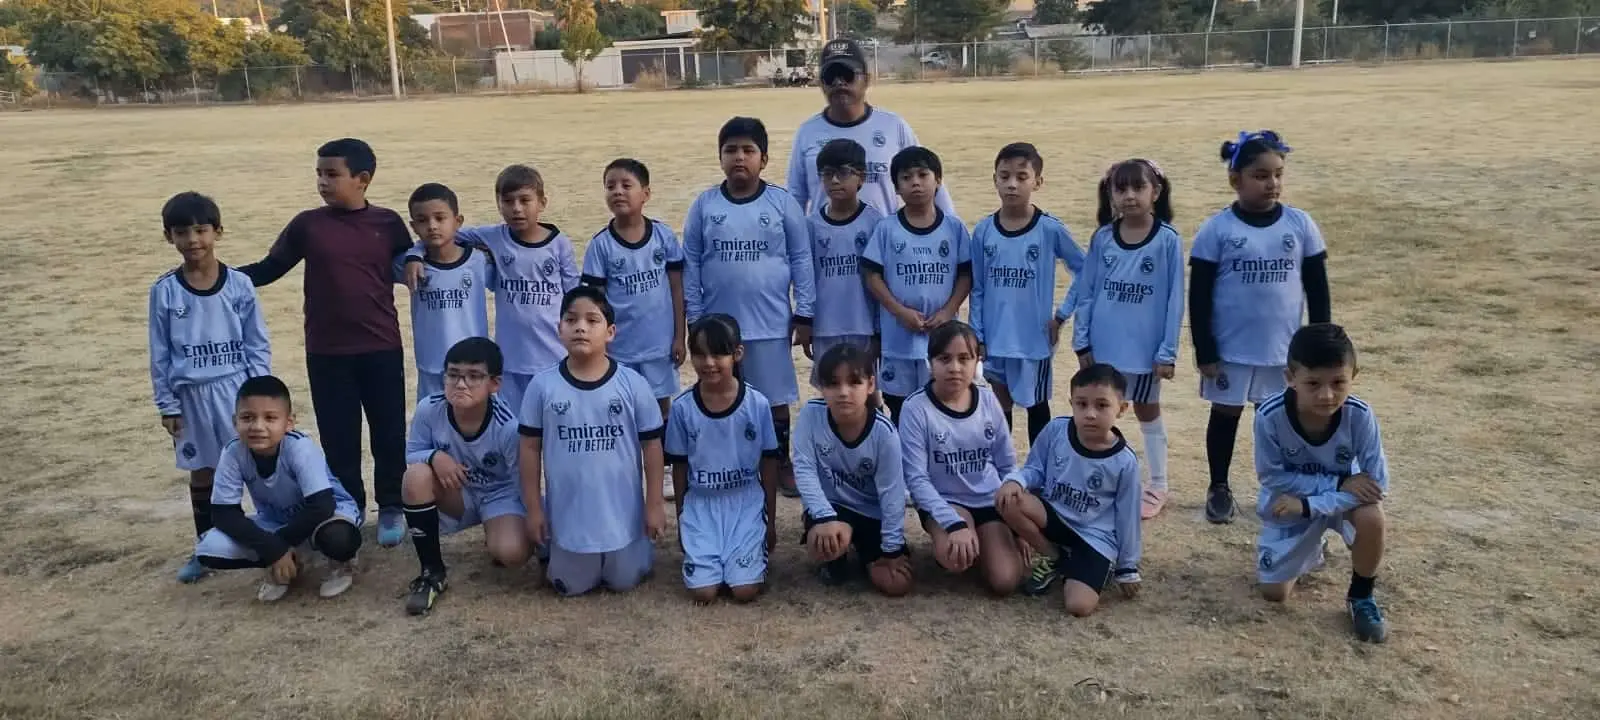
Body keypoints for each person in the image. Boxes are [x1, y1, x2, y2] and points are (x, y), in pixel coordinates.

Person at [238, 138, 414, 547]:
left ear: (363, 179)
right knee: (339, 437)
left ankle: (391, 504)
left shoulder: (387, 224)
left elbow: (414, 260)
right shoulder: (308, 225)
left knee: (388, 432)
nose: (322, 182)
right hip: (326, 352)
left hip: (381, 347)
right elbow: (269, 267)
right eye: (318, 173)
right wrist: (214, 276)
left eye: (331, 174)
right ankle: (349, 508)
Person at [1189, 130, 1332, 524]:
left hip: (1283, 351)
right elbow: (1198, 296)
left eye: (1278, 174)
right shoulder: (1217, 230)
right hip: (1231, 351)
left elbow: (1317, 289)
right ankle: (1219, 486)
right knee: (1225, 415)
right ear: (1236, 180)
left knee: (1279, 421)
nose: (1272, 183)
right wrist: (1205, 349)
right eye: (1260, 175)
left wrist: (1321, 345)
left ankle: (1282, 488)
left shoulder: (1300, 225)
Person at [683, 117, 815, 498]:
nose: (739, 157)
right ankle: (724, 461)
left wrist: (804, 313)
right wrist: (695, 318)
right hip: (718, 328)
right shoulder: (705, 206)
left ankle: (781, 462)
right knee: (718, 395)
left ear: (764, 158)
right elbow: (691, 262)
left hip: (770, 324)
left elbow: (802, 260)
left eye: (748, 150)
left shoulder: (782, 203)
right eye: (731, 150)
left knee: (774, 401)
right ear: (720, 157)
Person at [149, 191, 272, 584]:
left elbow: (257, 343)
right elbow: (160, 352)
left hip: (234, 389)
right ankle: (206, 548)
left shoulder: (239, 285)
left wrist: (258, 394)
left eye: (201, 230)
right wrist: (168, 404)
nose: (193, 240)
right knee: (202, 473)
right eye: (182, 232)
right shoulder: (165, 290)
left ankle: (271, 539)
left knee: (255, 465)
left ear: (218, 231)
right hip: (191, 396)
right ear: (169, 237)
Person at [518, 286, 666, 597]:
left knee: (625, 582)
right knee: (571, 587)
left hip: (623, 522)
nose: (581, 327)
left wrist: (654, 505)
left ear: (610, 332)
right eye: (571, 320)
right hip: (570, 524)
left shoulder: (633, 384)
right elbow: (529, 449)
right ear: (559, 328)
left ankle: (629, 553)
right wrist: (534, 510)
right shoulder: (542, 386)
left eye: (592, 320)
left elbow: (652, 446)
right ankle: (553, 551)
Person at [405, 164, 581, 412]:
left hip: (553, 356)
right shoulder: (493, 237)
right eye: (508, 201)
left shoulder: (559, 244)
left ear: (542, 202)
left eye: (524, 200)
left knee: (555, 420)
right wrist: (415, 253)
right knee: (513, 427)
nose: (516, 208)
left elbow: (575, 298)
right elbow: (445, 234)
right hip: (509, 359)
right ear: (498, 204)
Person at [1255, 323, 1390, 642]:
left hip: (1316, 502)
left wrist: (1310, 504)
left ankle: (1361, 596)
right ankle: (1311, 548)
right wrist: (1339, 482)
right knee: (1274, 594)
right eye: (1313, 383)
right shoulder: (1269, 416)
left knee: (1372, 514)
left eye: (1338, 382)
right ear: (1290, 378)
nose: (1327, 394)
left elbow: (1377, 482)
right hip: (1294, 502)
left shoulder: (1360, 415)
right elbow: (1272, 476)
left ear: (1353, 375)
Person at [1073, 159, 1183, 519]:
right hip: (1105, 348)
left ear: (1157, 191)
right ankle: (1101, 479)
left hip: (1146, 351)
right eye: (1121, 189)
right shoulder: (1103, 238)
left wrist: (1167, 352)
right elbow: (1087, 291)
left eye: (1139, 187)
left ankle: (1159, 483)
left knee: (1147, 411)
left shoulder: (1167, 240)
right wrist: (1082, 341)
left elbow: (1174, 301)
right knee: (1101, 412)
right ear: (1111, 194)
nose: (1130, 196)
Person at [194, 375, 364, 602]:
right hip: (276, 520)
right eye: (247, 417)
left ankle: (341, 563)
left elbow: (322, 506)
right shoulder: (233, 452)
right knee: (209, 550)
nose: (257, 426)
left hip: (328, 516)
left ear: (289, 422)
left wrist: (277, 545)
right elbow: (224, 514)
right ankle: (289, 565)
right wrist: (272, 547)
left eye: (270, 418)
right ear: (235, 421)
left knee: (338, 539)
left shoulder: (299, 447)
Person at [995, 364, 1142, 616]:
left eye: (1102, 405)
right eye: (1082, 404)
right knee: (1009, 499)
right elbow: (1035, 469)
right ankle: (1055, 557)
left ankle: (1092, 567)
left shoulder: (1125, 462)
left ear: (1122, 409)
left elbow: (1128, 517)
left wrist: (1127, 567)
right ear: (1071, 403)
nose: (1090, 414)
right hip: (1054, 517)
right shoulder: (1056, 430)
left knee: (1078, 606)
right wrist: (1015, 480)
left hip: (1094, 536)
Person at [579, 158, 686, 499]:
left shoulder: (663, 236)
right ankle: (624, 470)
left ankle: (666, 468)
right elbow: (594, 303)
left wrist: (679, 335)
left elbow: (676, 288)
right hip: (621, 348)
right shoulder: (601, 245)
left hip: (658, 344)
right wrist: (600, 346)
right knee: (621, 408)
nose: (617, 192)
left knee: (660, 407)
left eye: (626, 185)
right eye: (610, 186)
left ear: (646, 193)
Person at [401, 337, 530, 616]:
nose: (461, 384)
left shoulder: (508, 426)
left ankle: (498, 533)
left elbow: (523, 479)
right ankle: (432, 572)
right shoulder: (429, 409)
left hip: (499, 495)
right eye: (454, 375)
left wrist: (531, 523)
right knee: (415, 477)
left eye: (474, 376)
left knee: (512, 553)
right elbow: (411, 454)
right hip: (457, 493)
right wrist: (435, 457)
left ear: (494, 384)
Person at [968, 143, 1085, 445]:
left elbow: (1086, 271)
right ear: (994, 179)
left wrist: (1060, 317)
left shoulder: (1049, 229)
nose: (1012, 184)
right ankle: (1003, 473)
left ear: (1038, 182)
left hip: (1033, 341)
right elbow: (978, 287)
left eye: (1022, 177)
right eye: (1004, 176)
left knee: (1036, 408)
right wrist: (977, 334)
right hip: (994, 340)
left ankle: (1039, 474)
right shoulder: (983, 231)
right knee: (998, 408)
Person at [898, 321, 1024, 596]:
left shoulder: (989, 399)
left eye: (964, 358)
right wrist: (953, 523)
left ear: (977, 361)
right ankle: (964, 539)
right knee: (955, 559)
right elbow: (916, 479)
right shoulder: (915, 408)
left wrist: (1017, 520)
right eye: (945, 358)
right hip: (946, 501)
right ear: (930, 362)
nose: (955, 367)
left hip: (988, 499)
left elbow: (1007, 464)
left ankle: (992, 542)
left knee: (1005, 581)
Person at [664, 315, 781, 603]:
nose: (709, 362)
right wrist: (682, 519)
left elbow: (769, 462)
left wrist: (771, 521)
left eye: (718, 353)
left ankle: (746, 559)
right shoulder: (682, 409)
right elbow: (679, 467)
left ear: (737, 354)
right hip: (702, 504)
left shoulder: (757, 404)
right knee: (703, 593)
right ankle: (710, 557)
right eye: (700, 354)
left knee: (744, 591)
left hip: (745, 502)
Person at [792, 343, 914, 597]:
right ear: (821, 387)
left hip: (872, 514)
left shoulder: (885, 434)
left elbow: (892, 495)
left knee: (896, 584)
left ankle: (866, 553)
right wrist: (823, 516)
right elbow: (804, 469)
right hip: (833, 508)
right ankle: (835, 557)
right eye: (833, 384)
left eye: (854, 382)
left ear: (870, 385)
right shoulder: (810, 417)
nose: (843, 392)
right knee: (824, 544)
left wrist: (891, 549)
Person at [860, 146, 971, 424]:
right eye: (907, 177)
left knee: (941, 405)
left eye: (923, 175)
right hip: (899, 338)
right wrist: (899, 311)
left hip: (941, 338)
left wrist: (948, 311)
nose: (916, 183)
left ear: (938, 180)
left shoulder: (954, 228)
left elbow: (965, 275)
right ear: (896, 187)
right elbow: (872, 275)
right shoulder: (887, 229)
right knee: (900, 407)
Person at [786, 37, 956, 218]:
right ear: (821, 83)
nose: (839, 83)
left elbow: (929, 180)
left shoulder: (893, 127)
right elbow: (795, 197)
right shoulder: (808, 133)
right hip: (825, 244)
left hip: (884, 241)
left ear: (866, 79)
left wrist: (951, 229)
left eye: (847, 75)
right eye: (830, 77)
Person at [803, 138, 884, 391]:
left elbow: (883, 281)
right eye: (827, 174)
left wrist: (880, 330)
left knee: (866, 391)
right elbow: (806, 278)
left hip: (864, 325)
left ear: (861, 177)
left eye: (843, 173)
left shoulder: (876, 222)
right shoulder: (812, 225)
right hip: (826, 326)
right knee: (831, 391)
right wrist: (806, 322)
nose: (835, 181)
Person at [403, 183, 492, 400]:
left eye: (440, 218)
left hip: (473, 366)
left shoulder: (479, 261)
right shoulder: (409, 265)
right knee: (434, 428)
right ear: (413, 227)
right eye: (423, 221)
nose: (432, 226)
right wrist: (414, 254)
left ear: (457, 221)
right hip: (431, 368)